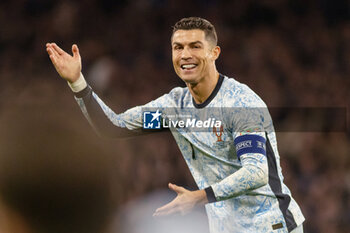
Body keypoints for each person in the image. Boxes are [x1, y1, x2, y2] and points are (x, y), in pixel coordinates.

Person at [46, 17, 305, 233]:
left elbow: (256, 172)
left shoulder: (240, 102)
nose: (185, 55)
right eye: (178, 47)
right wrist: (78, 82)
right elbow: (114, 127)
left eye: (194, 46)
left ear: (214, 52)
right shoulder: (174, 109)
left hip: (273, 225)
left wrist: (198, 196)